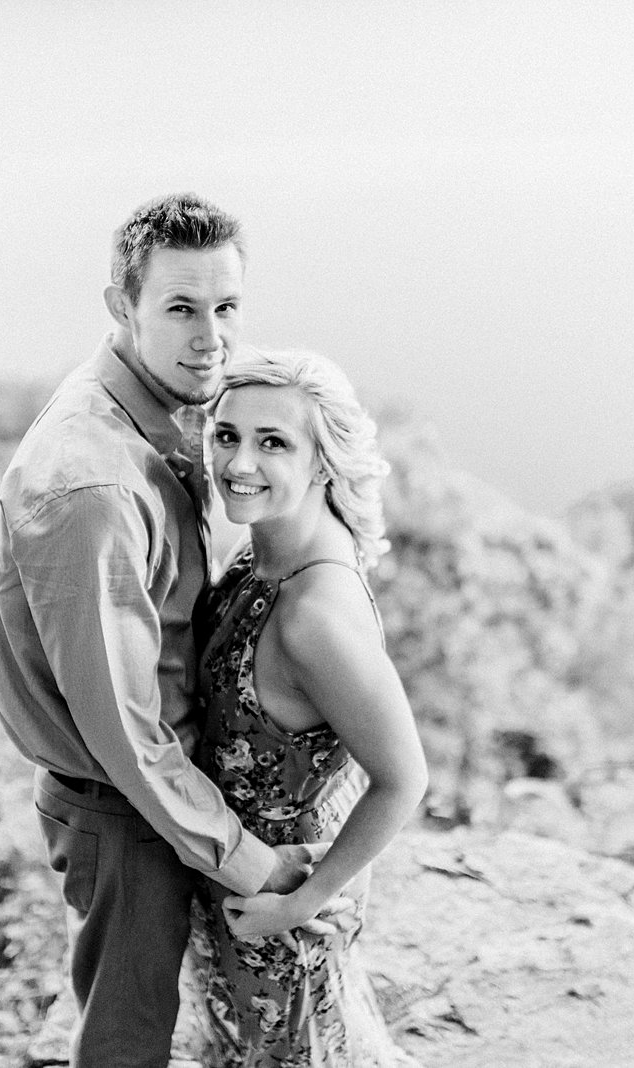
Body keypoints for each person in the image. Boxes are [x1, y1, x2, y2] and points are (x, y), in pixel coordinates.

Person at [0, 194, 331, 1068]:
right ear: (121, 308)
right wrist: (246, 860)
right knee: (127, 1045)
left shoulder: (165, 410)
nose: (212, 336)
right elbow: (125, 733)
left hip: (163, 799)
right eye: (181, 308)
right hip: (128, 811)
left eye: (226, 306)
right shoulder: (94, 488)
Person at [191, 348, 428, 1066]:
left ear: (323, 462)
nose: (238, 462)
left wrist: (302, 901)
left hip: (275, 911)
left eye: (273, 443)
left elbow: (404, 778)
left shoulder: (312, 614)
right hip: (238, 885)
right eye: (226, 435)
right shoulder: (267, 550)